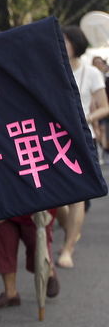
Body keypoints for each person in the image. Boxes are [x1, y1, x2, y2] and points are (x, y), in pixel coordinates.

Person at [56, 26, 109, 268]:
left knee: (77, 198)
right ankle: (70, 232)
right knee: (56, 197)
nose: (62, 44)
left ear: (76, 44)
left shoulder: (92, 74)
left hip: (82, 137)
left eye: (66, 40)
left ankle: (68, 249)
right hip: (55, 138)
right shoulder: (54, 68)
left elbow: (104, 107)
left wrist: (87, 118)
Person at [0, 211, 58, 311]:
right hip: (7, 206)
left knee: (36, 248)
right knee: (4, 243)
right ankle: (10, 293)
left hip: (34, 208)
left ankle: (48, 271)